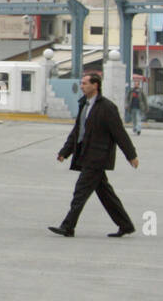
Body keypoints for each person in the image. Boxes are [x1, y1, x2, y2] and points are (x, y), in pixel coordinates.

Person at [48, 73, 139, 238]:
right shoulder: (85, 105)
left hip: (98, 157)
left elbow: (119, 133)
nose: (82, 86)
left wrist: (131, 155)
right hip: (87, 154)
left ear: (95, 85)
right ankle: (125, 225)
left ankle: (68, 226)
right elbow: (78, 131)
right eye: (82, 83)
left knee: (80, 192)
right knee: (106, 194)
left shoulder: (107, 107)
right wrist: (65, 151)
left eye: (85, 83)